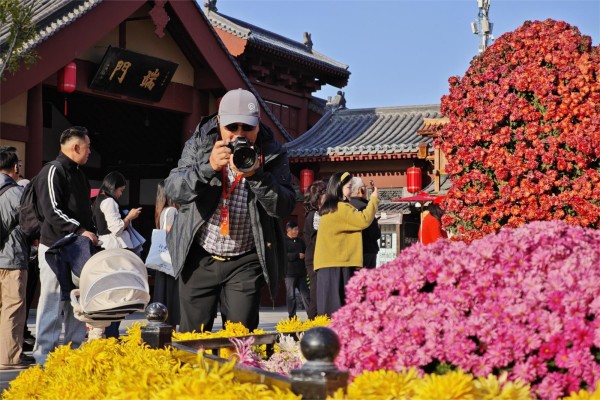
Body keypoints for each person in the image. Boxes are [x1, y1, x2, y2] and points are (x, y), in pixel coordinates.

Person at [165, 88, 295, 332]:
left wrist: (257, 176)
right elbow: (174, 189)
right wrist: (208, 167)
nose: (239, 135)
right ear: (219, 122)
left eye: (247, 128)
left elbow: (284, 206)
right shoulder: (200, 144)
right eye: (231, 127)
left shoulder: (273, 152)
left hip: (245, 260)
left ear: (258, 125)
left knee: (240, 340)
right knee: (193, 340)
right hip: (199, 255)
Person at [33, 126, 98, 365]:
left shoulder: (79, 174)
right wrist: (80, 230)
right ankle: (44, 357)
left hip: (78, 247)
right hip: (54, 246)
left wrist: (92, 233)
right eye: (88, 146)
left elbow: (85, 213)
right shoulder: (52, 170)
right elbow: (52, 210)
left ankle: (73, 353)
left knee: (77, 301)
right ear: (76, 147)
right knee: (51, 299)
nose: (90, 151)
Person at [314, 172, 379, 316]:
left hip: (327, 265)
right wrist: (374, 200)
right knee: (340, 311)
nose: (351, 191)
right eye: (349, 187)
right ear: (339, 188)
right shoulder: (341, 207)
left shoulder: (328, 208)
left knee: (327, 310)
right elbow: (363, 220)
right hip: (339, 264)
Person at [92, 171, 142, 338]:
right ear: (113, 188)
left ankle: (110, 333)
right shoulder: (109, 202)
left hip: (108, 248)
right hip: (115, 248)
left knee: (112, 294)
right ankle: (112, 333)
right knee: (118, 295)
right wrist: (129, 216)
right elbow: (117, 228)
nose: (121, 194)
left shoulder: (100, 199)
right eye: (120, 190)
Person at [0, 146, 32, 369]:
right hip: (11, 257)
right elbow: (30, 224)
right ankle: (9, 358)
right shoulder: (15, 193)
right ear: (15, 167)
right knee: (13, 307)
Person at [151, 180, 180, 327]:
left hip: (162, 257)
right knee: (171, 292)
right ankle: (171, 322)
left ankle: (161, 320)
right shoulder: (173, 211)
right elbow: (169, 231)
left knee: (162, 290)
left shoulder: (162, 211)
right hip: (171, 257)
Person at [302, 180, 326, 319]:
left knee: (317, 291)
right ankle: (313, 321)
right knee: (316, 292)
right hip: (315, 257)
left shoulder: (311, 214)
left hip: (314, 257)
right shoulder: (315, 215)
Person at [349, 177, 381, 269]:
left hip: (351, 254)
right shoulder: (366, 208)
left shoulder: (346, 206)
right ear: (360, 190)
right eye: (365, 187)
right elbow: (375, 234)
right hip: (367, 251)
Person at [283, 221, 310, 319]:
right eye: (295, 230)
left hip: (301, 273)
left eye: (298, 229)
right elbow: (283, 256)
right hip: (289, 273)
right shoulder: (283, 241)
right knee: (291, 296)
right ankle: (292, 316)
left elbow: (306, 252)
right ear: (288, 230)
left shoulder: (300, 241)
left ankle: (311, 315)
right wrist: (296, 255)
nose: (297, 231)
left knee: (306, 294)